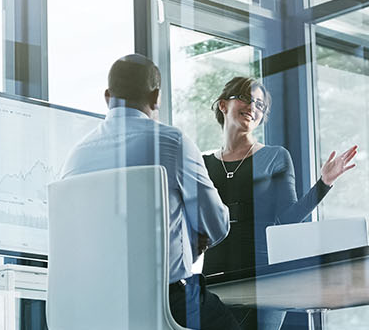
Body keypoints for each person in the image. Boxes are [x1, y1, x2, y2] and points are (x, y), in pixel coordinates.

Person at [60, 54, 240, 330]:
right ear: (156, 97)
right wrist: (188, 240)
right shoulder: (171, 143)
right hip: (164, 306)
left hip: (92, 311)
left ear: (108, 97)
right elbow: (216, 226)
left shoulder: (75, 157)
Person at [199, 77, 357, 330]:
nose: (253, 107)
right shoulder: (203, 164)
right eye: (246, 98)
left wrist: (324, 183)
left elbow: (288, 219)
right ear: (223, 105)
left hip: (265, 280)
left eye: (260, 105)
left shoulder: (275, 157)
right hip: (216, 279)